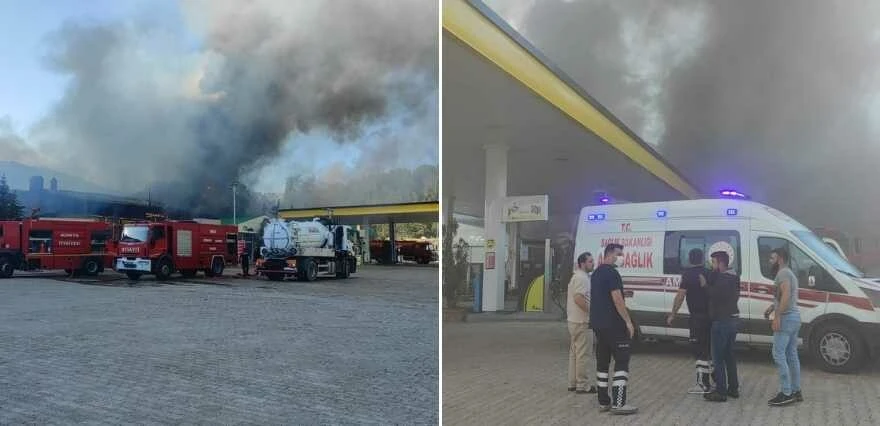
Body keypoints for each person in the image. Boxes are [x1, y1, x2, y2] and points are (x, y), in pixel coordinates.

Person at [590, 243, 637, 415]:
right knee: (622, 361)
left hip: (599, 326)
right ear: (610, 254)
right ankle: (619, 403)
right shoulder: (612, 273)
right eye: (619, 254)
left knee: (602, 363)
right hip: (614, 326)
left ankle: (604, 402)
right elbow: (617, 299)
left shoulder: (595, 273)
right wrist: (628, 321)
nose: (621, 257)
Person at [667, 248, 712, 394]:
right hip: (710, 317)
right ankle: (712, 381)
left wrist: (673, 314)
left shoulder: (688, 275)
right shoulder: (709, 273)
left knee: (698, 351)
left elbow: (680, 296)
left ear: (689, 259)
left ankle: (702, 384)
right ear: (702, 259)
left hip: (697, 318)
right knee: (707, 349)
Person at [764, 247, 803, 406]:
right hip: (793, 318)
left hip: (786, 319)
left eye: (772, 258)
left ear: (780, 258)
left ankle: (786, 392)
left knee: (778, 354)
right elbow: (783, 296)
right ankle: (796, 391)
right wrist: (772, 307)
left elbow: (786, 295)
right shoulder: (789, 273)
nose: (770, 261)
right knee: (791, 355)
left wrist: (777, 317)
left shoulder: (783, 273)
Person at [703, 251, 740, 402]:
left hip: (721, 321)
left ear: (720, 263)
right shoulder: (734, 277)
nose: (712, 266)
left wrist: (705, 285)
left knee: (718, 358)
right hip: (733, 320)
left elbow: (715, 295)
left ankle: (721, 391)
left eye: (713, 262)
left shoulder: (722, 278)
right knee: (729, 356)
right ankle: (733, 388)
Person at [567, 252, 597, 394]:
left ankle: (573, 382)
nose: (593, 264)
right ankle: (583, 384)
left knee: (574, 353)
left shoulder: (577, 276)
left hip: (573, 320)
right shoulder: (582, 278)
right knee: (583, 354)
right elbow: (578, 298)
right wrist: (591, 311)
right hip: (582, 321)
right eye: (590, 261)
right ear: (583, 263)